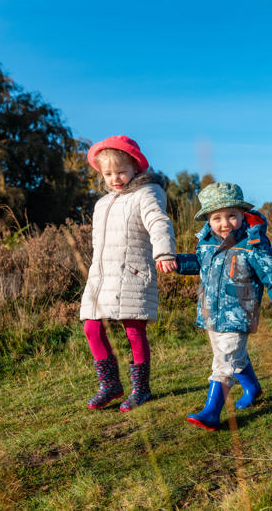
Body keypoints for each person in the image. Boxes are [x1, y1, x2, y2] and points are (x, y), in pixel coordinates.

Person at [175, 182, 272, 431]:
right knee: (228, 354)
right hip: (211, 310)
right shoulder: (206, 242)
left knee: (225, 359)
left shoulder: (253, 242)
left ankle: (211, 411)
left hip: (239, 311)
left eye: (231, 215)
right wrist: (175, 262)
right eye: (217, 217)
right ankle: (252, 388)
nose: (225, 223)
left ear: (242, 214)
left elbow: (271, 273)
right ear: (208, 219)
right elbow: (199, 264)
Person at [80, 135, 177, 411]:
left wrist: (164, 252)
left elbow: (158, 222)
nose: (115, 179)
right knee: (91, 326)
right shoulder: (102, 204)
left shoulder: (146, 194)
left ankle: (141, 389)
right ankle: (110, 384)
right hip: (101, 276)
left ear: (135, 166)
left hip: (133, 271)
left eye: (121, 171)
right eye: (108, 174)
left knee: (133, 329)